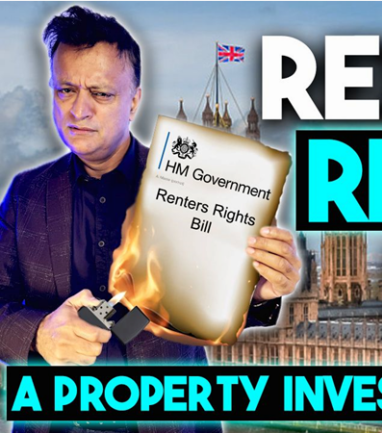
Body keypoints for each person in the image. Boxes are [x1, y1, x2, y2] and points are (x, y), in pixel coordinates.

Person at [0, 6, 301, 433]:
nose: (78, 110)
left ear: (134, 100)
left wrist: (258, 292)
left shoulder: (193, 187)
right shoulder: (26, 195)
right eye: (65, 90)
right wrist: (40, 336)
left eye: (101, 94)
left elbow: (205, 304)